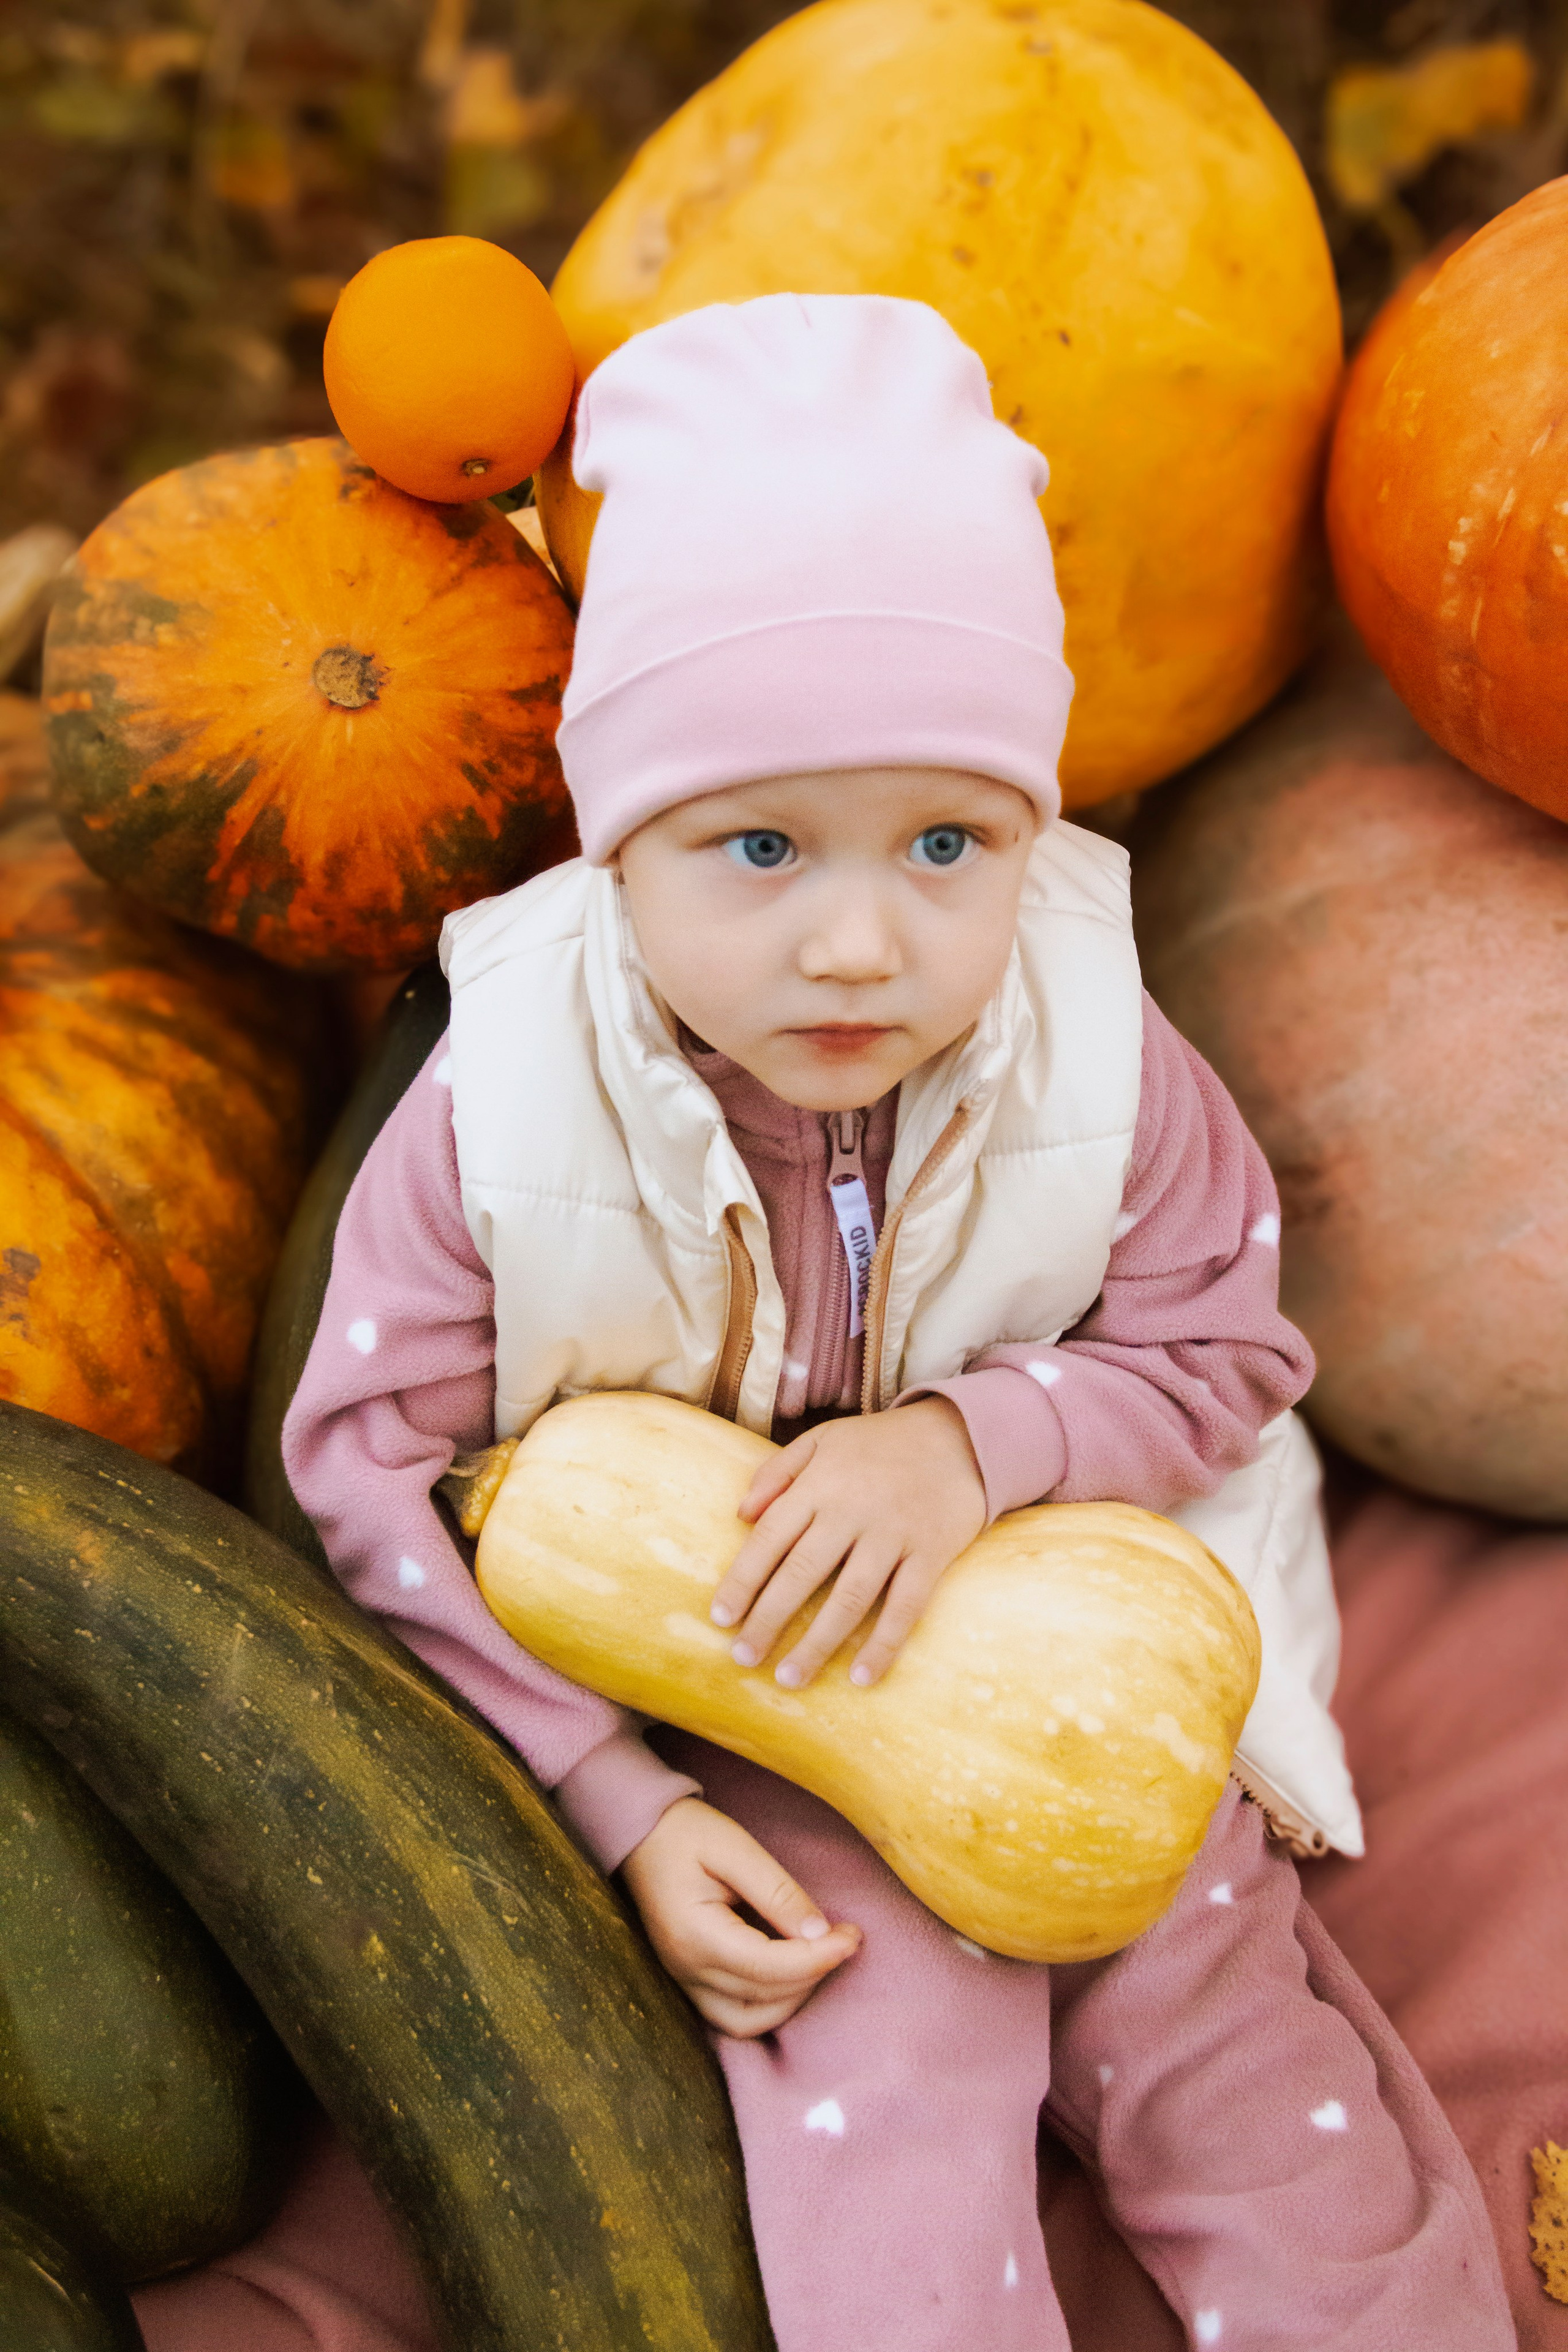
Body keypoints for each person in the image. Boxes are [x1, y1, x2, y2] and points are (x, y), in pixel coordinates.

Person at [284, 293, 1513, 2350]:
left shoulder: (1098, 1056)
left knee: (1238, 2060)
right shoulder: (506, 1111)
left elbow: (1224, 1353)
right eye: (758, 846)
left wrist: (973, 1446)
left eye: (948, 843)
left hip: (1093, 1638)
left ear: (1033, 827)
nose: (859, 941)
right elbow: (372, 1478)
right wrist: (619, 1803)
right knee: (883, 2104)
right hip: (753, 1704)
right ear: (617, 839)